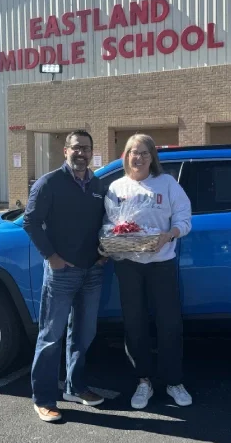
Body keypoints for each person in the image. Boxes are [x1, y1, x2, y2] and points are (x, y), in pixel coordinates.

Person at [23, 130, 107, 422]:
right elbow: (30, 222)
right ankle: (44, 398)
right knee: (51, 337)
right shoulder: (50, 183)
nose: (81, 153)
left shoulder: (98, 185)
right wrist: (52, 257)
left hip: (92, 271)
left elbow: (105, 223)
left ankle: (76, 386)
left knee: (84, 334)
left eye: (86, 148)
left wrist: (104, 252)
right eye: (76, 148)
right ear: (66, 151)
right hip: (62, 274)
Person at [106, 134, 193, 409]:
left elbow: (184, 218)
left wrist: (170, 234)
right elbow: (107, 224)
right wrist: (112, 239)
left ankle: (173, 381)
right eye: (133, 152)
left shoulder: (167, 184)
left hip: (161, 262)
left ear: (152, 157)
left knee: (169, 323)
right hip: (128, 264)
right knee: (135, 324)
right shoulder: (115, 187)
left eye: (144, 153)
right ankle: (143, 381)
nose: (138, 158)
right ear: (126, 156)